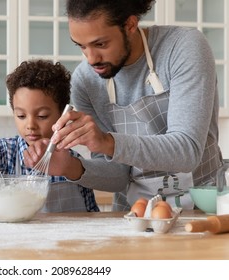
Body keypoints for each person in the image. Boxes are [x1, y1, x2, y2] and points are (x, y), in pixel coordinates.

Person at [23, 0, 223, 211]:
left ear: (130, 25)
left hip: (203, 208)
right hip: (134, 214)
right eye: (81, 46)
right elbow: (118, 177)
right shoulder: (85, 81)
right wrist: (70, 167)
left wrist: (107, 142)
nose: (91, 59)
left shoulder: (183, 47)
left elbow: (187, 152)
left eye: (101, 44)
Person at [0, 59, 99, 213]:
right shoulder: (3, 153)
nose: (30, 125)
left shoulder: (73, 163)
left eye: (42, 116)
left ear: (62, 115)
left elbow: (91, 215)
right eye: (21, 116)